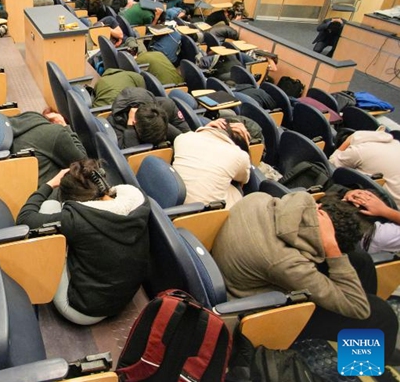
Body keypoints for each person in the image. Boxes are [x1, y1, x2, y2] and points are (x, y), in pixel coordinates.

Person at [213, 192, 397, 361]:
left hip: (248, 265)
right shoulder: (286, 263)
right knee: (378, 315)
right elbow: (358, 308)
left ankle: (359, 340)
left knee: (359, 260)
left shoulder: (258, 199)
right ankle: (366, 364)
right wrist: (333, 249)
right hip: (262, 310)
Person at [16, 159, 150, 325]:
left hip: (83, 310)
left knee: (49, 206)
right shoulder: (138, 201)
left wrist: (50, 184)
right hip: (125, 298)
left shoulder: (75, 219)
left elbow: (24, 219)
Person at [171, 118, 251, 206]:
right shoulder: (239, 155)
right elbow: (244, 180)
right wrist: (246, 145)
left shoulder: (182, 138)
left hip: (172, 201)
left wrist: (204, 129)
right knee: (237, 184)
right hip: (202, 213)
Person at [7, 110, 87, 185]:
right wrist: (65, 127)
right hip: (53, 194)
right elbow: (84, 165)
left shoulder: (21, 121)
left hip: (20, 189)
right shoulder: (54, 133)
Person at [330, 129, 400, 205]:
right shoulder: (396, 143)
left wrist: (345, 144)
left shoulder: (357, 150)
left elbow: (331, 166)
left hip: (391, 207)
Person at [108, 87, 190, 148]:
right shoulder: (115, 120)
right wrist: (130, 128)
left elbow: (187, 138)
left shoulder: (167, 106)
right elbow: (129, 156)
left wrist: (161, 122)